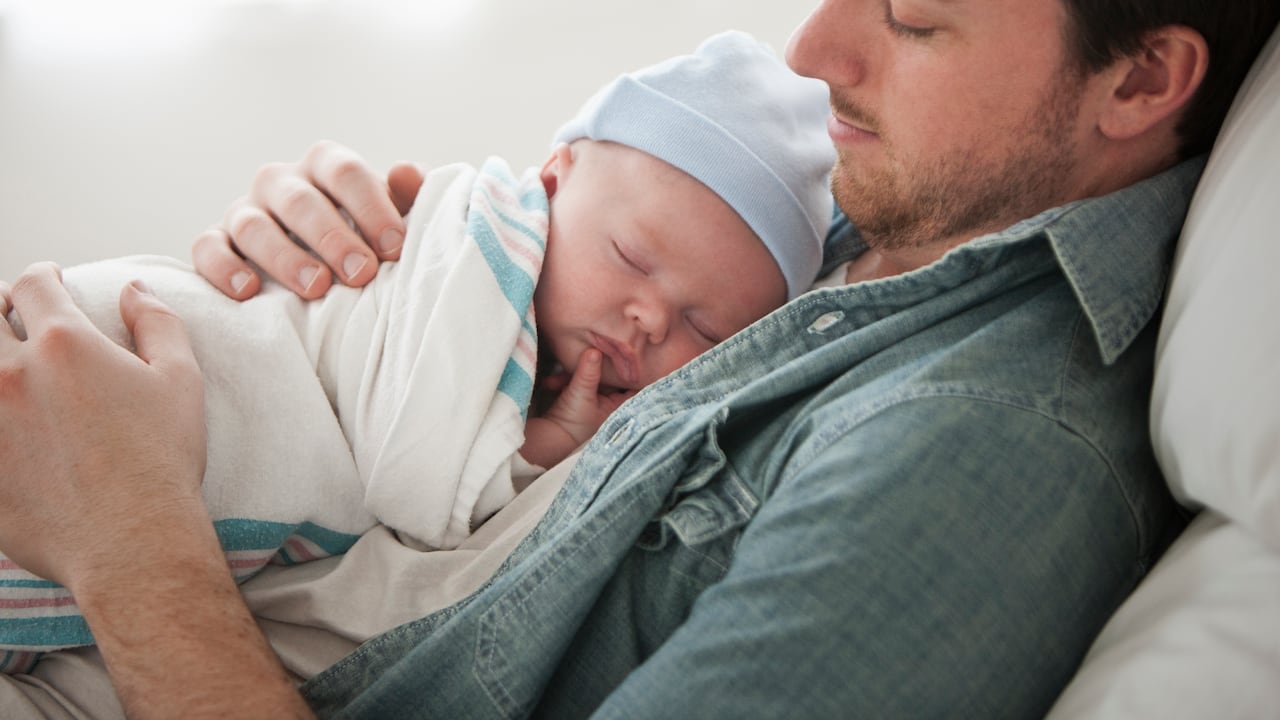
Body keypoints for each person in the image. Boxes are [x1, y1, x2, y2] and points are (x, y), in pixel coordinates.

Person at [1, 0, 1277, 717]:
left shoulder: (978, 452)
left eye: (913, 17)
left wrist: (127, 539)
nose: (811, 52)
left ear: (1141, 81)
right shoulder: (882, 199)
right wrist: (363, 251)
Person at [0, 31, 833, 674]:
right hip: (132, 353)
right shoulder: (478, 250)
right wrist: (535, 456)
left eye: (706, 330)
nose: (649, 318)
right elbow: (418, 475)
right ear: (552, 178)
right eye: (632, 257)